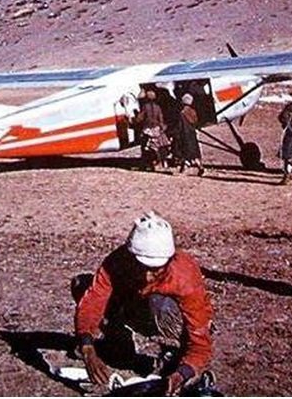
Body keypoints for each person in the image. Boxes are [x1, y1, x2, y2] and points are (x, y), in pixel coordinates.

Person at [73, 211, 213, 396]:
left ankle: (176, 355)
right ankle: (118, 342)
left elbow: (200, 341)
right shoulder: (117, 262)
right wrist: (87, 347)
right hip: (135, 308)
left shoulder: (184, 274)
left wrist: (183, 373)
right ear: (130, 257)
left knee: (160, 303)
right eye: (142, 267)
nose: (147, 276)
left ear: (170, 261)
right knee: (82, 284)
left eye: (155, 269)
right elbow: (93, 302)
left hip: (164, 314)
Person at [134, 89, 169, 170]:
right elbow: (161, 119)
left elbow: (140, 118)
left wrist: (135, 118)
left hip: (148, 129)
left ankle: (147, 163)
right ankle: (160, 162)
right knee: (158, 146)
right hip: (157, 129)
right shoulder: (158, 107)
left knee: (145, 147)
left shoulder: (145, 107)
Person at [174, 94, 204, 176]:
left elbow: (180, 126)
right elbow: (196, 122)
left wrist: (177, 134)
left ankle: (183, 170)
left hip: (184, 134)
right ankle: (200, 166)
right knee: (195, 152)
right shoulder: (193, 112)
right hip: (192, 133)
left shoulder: (182, 113)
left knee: (186, 153)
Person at [278, 89, 292, 182]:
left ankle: (288, 174)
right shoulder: (289, 107)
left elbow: (281, 117)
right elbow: (282, 118)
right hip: (290, 133)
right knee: (289, 156)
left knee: (289, 156)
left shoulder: (289, 107)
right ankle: (287, 175)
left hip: (290, 133)